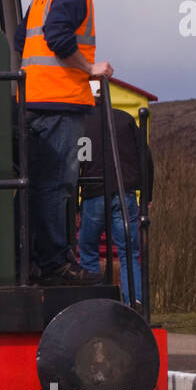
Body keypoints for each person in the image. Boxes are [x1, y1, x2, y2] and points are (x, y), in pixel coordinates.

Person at [15, 0, 122, 285]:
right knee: (58, 185)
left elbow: (21, 39)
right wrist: (90, 68)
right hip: (59, 103)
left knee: (34, 185)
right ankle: (56, 263)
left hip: (30, 101)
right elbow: (58, 38)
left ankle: (32, 259)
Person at [78, 87, 152, 305]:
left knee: (88, 249)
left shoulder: (81, 123)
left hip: (93, 194)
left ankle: (96, 301)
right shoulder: (126, 120)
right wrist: (147, 195)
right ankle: (135, 301)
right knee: (129, 252)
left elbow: (74, 165)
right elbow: (146, 159)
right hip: (125, 194)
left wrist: (73, 207)